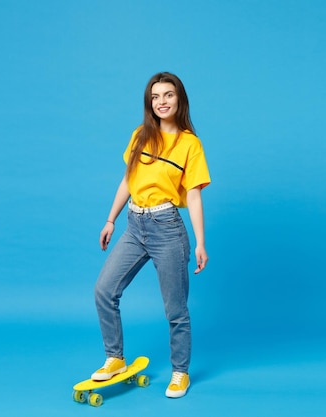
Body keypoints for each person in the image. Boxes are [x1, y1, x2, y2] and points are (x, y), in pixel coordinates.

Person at [91, 72, 211, 399]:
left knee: (175, 308)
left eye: (168, 95)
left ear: (179, 99)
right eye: (155, 96)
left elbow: (195, 195)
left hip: (167, 228)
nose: (161, 101)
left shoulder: (189, 144)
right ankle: (114, 358)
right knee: (104, 290)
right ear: (149, 102)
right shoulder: (140, 136)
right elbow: (128, 181)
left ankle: (180, 372)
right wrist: (110, 220)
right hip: (134, 225)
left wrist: (200, 242)